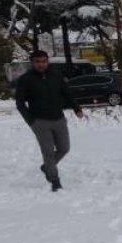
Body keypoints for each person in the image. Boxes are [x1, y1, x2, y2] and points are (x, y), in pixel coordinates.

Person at [15, 50, 84, 191]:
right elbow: (20, 104)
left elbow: (66, 93)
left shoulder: (56, 75)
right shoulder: (25, 79)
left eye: (43, 61)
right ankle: (54, 180)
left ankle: (46, 167)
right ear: (32, 63)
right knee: (47, 151)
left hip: (59, 119)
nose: (41, 64)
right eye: (37, 62)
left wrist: (77, 108)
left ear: (48, 61)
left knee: (64, 148)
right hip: (40, 121)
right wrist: (31, 121)